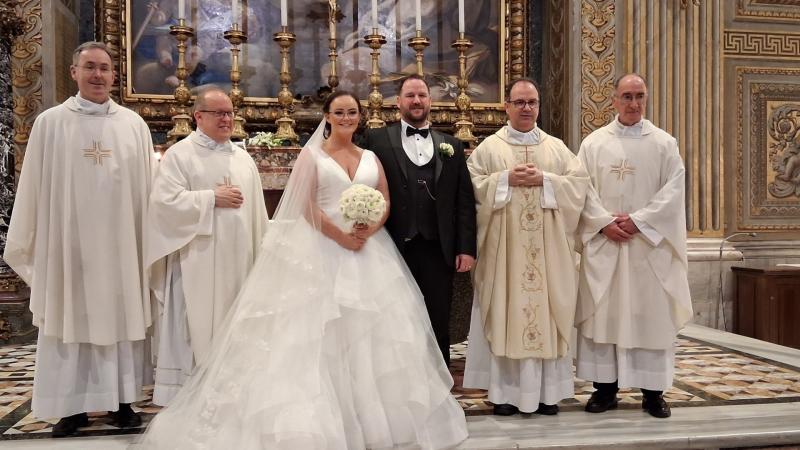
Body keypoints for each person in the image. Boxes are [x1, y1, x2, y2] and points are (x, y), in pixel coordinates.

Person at [138, 91, 468, 449]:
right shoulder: (312, 156)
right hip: (322, 249)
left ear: (359, 117)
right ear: (327, 116)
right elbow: (306, 205)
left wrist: (370, 227)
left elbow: (385, 199)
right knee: (316, 338)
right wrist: (341, 237)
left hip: (370, 252)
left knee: (371, 338)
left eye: (352, 112)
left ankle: (372, 420)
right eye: (339, 112)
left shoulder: (371, 156)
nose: (346, 117)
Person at [3, 41, 157, 437]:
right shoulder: (51, 123)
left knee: (120, 313)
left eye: (104, 68)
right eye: (89, 67)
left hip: (121, 243)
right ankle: (69, 407)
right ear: (73, 72)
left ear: (113, 74)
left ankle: (124, 401)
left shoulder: (133, 125)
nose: (98, 75)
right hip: (67, 245)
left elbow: (148, 191)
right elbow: (35, 185)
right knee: (69, 316)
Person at [463, 78, 590, 416]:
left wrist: (545, 180)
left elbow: (579, 186)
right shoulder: (490, 148)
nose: (526, 108)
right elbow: (469, 190)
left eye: (531, 102)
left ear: (538, 106)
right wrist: (504, 179)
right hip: (504, 257)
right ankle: (505, 395)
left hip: (547, 257)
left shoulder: (556, 148)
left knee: (545, 314)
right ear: (506, 106)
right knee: (506, 312)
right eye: (519, 102)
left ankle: (548, 395)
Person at [575, 73, 693, 419]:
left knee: (649, 318)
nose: (633, 103)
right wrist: (604, 223)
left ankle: (653, 394)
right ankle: (604, 390)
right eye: (626, 96)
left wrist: (639, 220)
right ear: (613, 100)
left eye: (639, 95)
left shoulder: (663, 144)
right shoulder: (593, 144)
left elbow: (674, 191)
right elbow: (580, 190)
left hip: (647, 249)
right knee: (605, 317)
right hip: (607, 246)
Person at [146, 86, 268, 406]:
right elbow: (163, 204)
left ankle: (232, 388)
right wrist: (211, 198)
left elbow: (257, 214)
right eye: (219, 113)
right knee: (195, 325)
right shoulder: (180, 155)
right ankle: (192, 392)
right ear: (199, 116)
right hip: (196, 260)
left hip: (239, 259)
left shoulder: (242, 158)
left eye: (230, 113)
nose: (227, 119)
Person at [361, 74, 477, 366]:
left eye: (422, 95)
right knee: (393, 314)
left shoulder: (451, 145)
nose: (416, 101)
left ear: (430, 101)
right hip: (391, 246)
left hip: (438, 247)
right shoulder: (375, 139)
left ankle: (440, 379)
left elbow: (464, 202)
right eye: (410, 95)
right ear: (398, 101)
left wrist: (466, 248)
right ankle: (395, 377)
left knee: (438, 315)